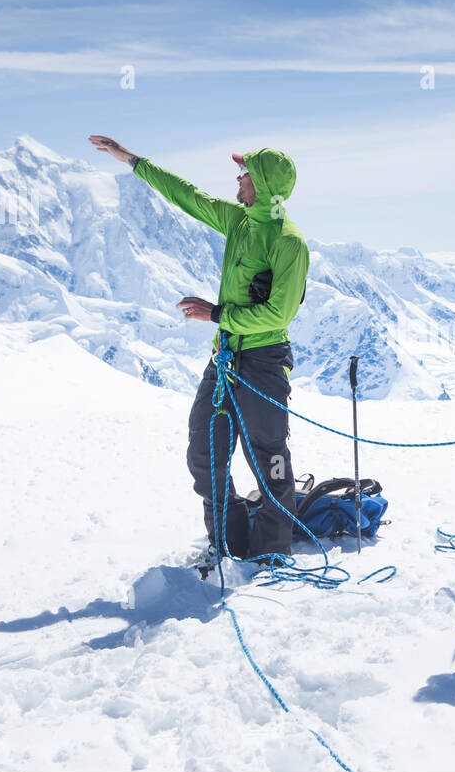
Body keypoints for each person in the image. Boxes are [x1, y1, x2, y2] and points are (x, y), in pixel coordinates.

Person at [88, 135, 309, 563]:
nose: (238, 179)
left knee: (271, 461)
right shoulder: (239, 221)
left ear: (262, 184)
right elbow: (187, 196)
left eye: (244, 173)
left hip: (263, 362)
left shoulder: (288, 241)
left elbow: (279, 315)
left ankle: (270, 552)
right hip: (225, 360)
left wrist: (218, 314)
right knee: (205, 455)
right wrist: (133, 160)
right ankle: (228, 544)